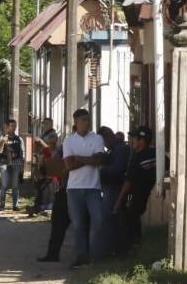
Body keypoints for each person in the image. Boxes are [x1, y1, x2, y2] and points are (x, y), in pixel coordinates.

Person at [62, 109, 110, 268]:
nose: (87, 123)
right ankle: (82, 257)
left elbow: (99, 161)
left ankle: (94, 256)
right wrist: (90, 159)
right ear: (76, 122)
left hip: (93, 188)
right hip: (74, 189)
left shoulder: (97, 138)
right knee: (78, 225)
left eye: (88, 119)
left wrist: (78, 157)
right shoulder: (69, 141)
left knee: (98, 220)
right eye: (83, 120)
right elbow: (69, 166)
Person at [113, 125, 156, 253]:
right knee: (134, 220)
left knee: (129, 221)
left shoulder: (137, 158)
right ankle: (135, 247)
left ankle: (130, 250)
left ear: (142, 140)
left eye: (134, 138)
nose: (132, 141)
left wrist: (118, 202)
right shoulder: (155, 154)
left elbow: (128, 182)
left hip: (135, 196)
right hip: (145, 194)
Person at [35, 133, 70, 262]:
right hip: (67, 190)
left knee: (59, 224)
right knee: (63, 225)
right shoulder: (66, 147)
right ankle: (54, 253)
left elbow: (52, 168)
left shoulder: (66, 146)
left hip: (66, 191)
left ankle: (53, 254)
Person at [98, 126, 130, 254]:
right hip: (111, 187)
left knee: (110, 219)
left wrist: (102, 169)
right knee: (111, 219)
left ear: (107, 137)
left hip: (114, 187)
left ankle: (113, 249)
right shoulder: (114, 149)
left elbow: (119, 170)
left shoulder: (120, 149)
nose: (104, 145)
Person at [0, 118, 26, 212]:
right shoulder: (2, 138)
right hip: (4, 163)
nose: (14, 128)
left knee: (15, 185)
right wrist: (2, 142)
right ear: (7, 127)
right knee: (4, 185)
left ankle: (15, 205)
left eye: (15, 126)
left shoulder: (19, 139)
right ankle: (2, 205)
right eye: (12, 126)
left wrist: (22, 167)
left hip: (16, 163)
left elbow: (22, 153)